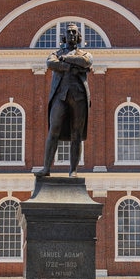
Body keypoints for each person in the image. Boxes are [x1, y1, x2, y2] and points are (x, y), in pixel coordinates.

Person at [38, 23, 92, 177]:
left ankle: (73, 170)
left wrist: (65, 60)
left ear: (78, 36)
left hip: (79, 96)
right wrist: (71, 66)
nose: (72, 35)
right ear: (64, 36)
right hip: (60, 96)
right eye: (69, 32)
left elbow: (87, 62)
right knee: (53, 129)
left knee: (77, 134)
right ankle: (46, 168)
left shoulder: (84, 53)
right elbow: (50, 63)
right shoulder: (56, 53)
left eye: (74, 32)